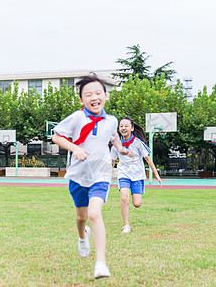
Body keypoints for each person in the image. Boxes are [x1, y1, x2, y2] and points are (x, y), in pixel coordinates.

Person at [52, 74, 132, 279]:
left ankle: (101, 264)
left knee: (95, 214)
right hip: (78, 175)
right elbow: (56, 135)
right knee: (82, 217)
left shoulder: (112, 120)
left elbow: (113, 136)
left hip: (101, 174)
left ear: (105, 96)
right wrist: (74, 148)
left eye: (98, 93)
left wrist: (120, 148)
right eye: (88, 94)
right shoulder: (78, 117)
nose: (94, 97)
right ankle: (82, 236)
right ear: (82, 100)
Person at [111, 116, 162, 234]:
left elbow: (148, 160)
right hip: (123, 173)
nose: (123, 128)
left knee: (137, 203)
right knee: (124, 197)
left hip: (137, 175)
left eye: (126, 126)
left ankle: (136, 199)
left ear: (132, 128)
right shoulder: (116, 145)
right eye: (121, 126)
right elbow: (112, 161)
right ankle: (126, 225)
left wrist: (156, 175)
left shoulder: (138, 143)